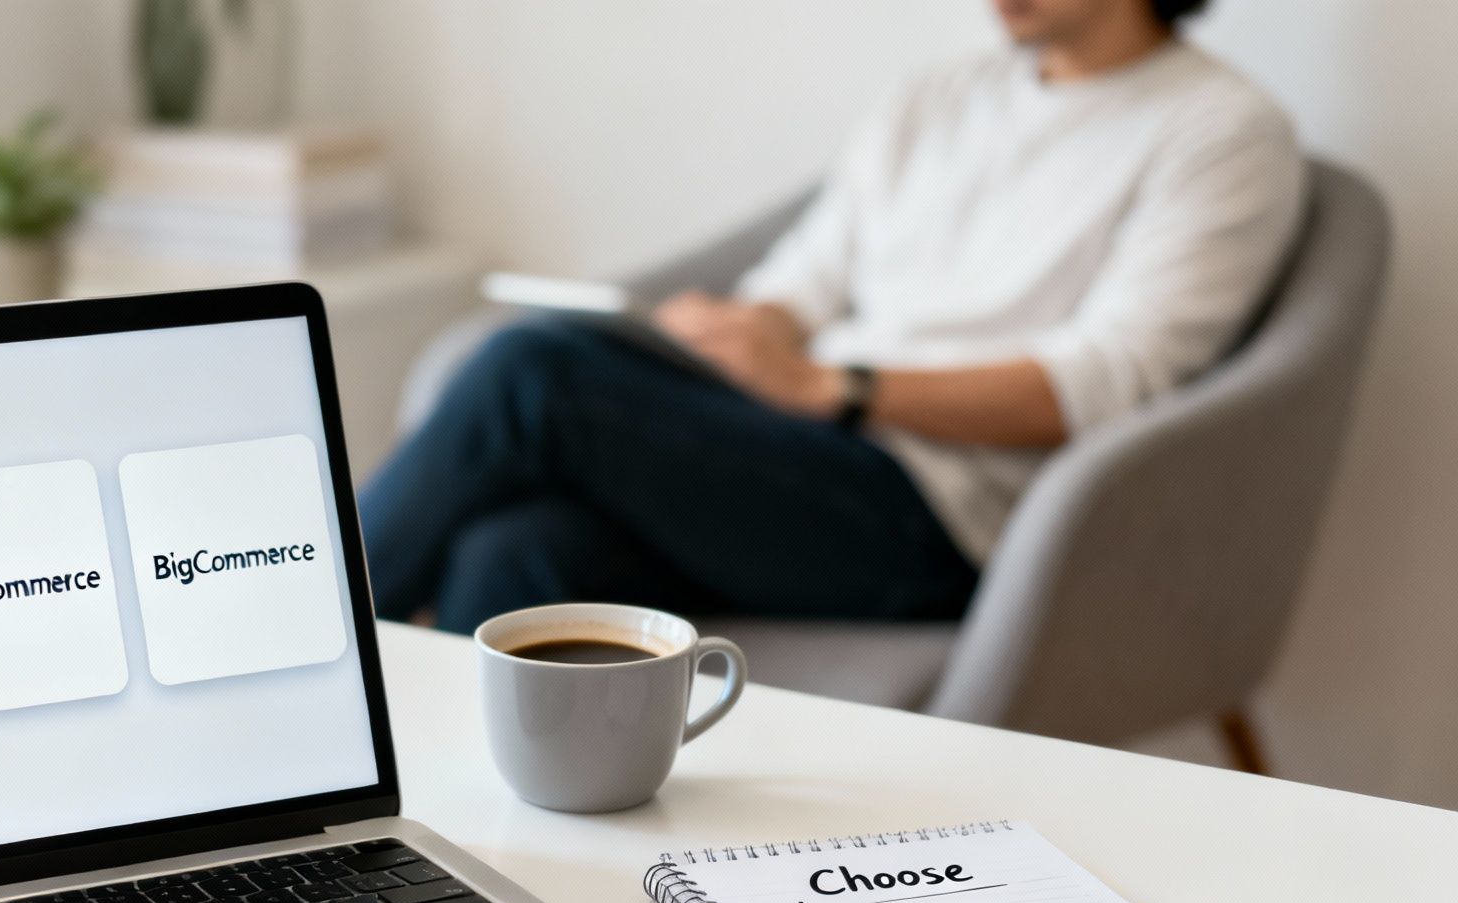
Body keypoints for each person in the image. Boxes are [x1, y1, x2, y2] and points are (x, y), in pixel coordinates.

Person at [359, 0, 1306, 634]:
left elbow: (1104, 384)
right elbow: (808, 277)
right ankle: (463, 862)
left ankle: (300, 660)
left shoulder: (1221, 130)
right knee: (515, 549)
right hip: (796, 453)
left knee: (532, 373)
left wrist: (833, 388)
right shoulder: (941, 96)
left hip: (937, 517)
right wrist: (750, 333)